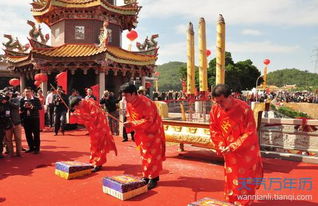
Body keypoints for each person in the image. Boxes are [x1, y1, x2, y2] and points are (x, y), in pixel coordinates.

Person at [209, 84, 263, 206]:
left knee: (245, 176)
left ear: (230, 97)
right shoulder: (215, 109)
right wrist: (221, 144)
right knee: (231, 175)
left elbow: (250, 132)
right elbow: (214, 129)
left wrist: (234, 146)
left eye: (222, 101)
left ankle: (244, 202)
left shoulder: (244, 108)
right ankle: (233, 200)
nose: (219, 105)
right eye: (217, 102)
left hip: (246, 151)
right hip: (228, 151)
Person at [121, 82, 166, 190]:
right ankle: (146, 176)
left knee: (153, 155)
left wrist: (132, 124)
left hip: (153, 131)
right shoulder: (129, 103)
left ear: (133, 94)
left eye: (126, 96)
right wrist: (129, 122)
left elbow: (149, 120)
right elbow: (130, 116)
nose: (125, 98)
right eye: (123, 96)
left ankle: (154, 178)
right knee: (144, 154)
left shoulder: (146, 103)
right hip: (141, 132)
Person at [70, 97, 117, 172]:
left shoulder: (91, 104)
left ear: (79, 103)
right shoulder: (81, 106)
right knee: (93, 145)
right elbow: (82, 118)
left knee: (101, 145)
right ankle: (94, 161)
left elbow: (93, 117)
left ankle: (99, 163)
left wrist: (79, 115)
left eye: (77, 107)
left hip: (100, 126)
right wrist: (76, 114)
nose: (77, 109)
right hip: (93, 128)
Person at [20, 87, 42, 154]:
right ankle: (31, 147)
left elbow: (40, 107)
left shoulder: (36, 99)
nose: (27, 93)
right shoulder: (22, 100)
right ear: (24, 92)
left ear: (31, 92)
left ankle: (37, 149)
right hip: (26, 119)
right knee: (28, 134)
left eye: (28, 91)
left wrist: (33, 107)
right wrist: (24, 106)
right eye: (26, 92)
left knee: (36, 134)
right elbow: (20, 109)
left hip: (35, 118)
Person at [5, 91, 23, 157]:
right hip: (7, 123)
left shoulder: (15, 100)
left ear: (11, 94)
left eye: (9, 94)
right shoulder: (3, 102)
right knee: (8, 139)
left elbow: (17, 106)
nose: (8, 95)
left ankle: (19, 153)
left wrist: (8, 101)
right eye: (7, 94)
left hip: (16, 122)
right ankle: (10, 153)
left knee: (18, 138)